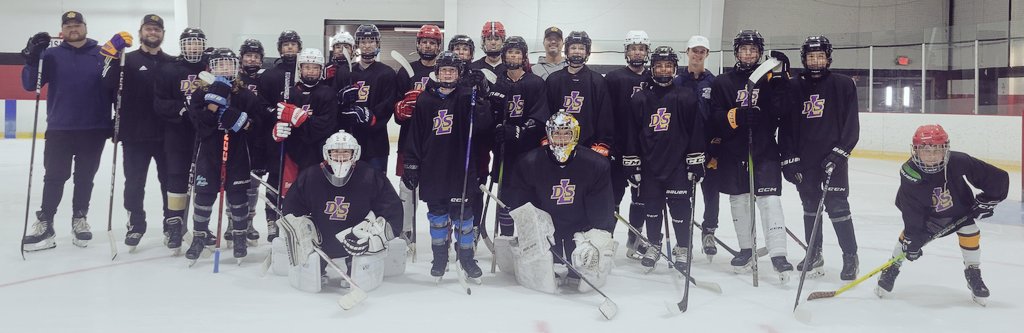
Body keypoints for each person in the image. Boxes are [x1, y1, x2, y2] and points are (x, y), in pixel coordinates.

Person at [21, 11, 125, 251]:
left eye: (77, 24)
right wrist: (31, 59)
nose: (73, 28)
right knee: (54, 177)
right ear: (62, 30)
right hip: (60, 127)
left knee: (85, 178)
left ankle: (80, 219)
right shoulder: (51, 55)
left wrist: (116, 120)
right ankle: (45, 222)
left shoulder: (102, 54)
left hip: (94, 128)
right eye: (68, 25)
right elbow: (29, 85)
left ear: (85, 27)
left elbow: (115, 89)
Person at [876, 124, 1008, 305]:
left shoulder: (958, 161)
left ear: (945, 149)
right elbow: (911, 210)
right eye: (926, 150)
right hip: (928, 215)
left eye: (937, 150)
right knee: (909, 239)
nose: (931, 156)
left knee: (970, 231)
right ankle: (893, 266)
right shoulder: (910, 172)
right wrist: (913, 239)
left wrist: (989, 199)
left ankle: (973, 271)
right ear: (916, 150)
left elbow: (996, 177)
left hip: (958, 210)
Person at [708, 30, 794, 281]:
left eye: (753, 50)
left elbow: (782, 110)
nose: (748, 54)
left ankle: (779, 253)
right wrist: (735, 117)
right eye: (744, 49)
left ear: (760, 53)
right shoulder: (722, 82)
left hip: (764, 149)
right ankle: (746, 249)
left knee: (769, 201)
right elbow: (714, 117)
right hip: (733, 151)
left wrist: (782, 77)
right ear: (736, 52)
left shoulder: (769, 79)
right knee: (740, 201)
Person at [401, 51, 493, 280]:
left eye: (452, 70)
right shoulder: (426, 99)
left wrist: (481, 97)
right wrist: (411, 164)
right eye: (444, 70)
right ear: (437, 72)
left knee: (464, 217)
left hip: (461, 167)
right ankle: (440, 257)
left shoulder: (466, 96)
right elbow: (415, 135)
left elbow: (483, 125)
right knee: (438, 216)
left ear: (459, 73)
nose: (448, 74)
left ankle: (466, 258)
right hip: (433, 167)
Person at [275, 130, 403, 291]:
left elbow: (393, 211)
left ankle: (353, 264)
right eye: (335, 152)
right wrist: (301, 230)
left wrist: (375, 237)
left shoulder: (370, 176)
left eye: (346, 152)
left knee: (365, 250)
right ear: (326, 153)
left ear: (355, 153)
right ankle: (318, 265)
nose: (341, 157)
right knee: (306, 245)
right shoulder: (310, 176)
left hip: (355, 240)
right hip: (320, 240)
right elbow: (291, 210)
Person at [503, 111, 615, 291]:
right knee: (541, 255)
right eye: (556, 133)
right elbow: (523, 206)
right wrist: (532, 233)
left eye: (566, 133)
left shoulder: (595, 164)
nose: (561, 138)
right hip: (547, 226)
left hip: (580, 225)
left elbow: (601, 209)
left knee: (586, 255)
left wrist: (595, 239)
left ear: (575, 135)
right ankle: (542, 262)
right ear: (548, 135)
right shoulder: (529, 162)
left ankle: (580, 265)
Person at [779, 35, 861, 280]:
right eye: (811, 56)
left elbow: (851, 126)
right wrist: (789, 158)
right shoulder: (794, 86)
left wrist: (839, 155)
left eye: (820, 56)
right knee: (810, 207)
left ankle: (850, 257)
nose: (816, 61)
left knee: (837, 207)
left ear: (828, 58)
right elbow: (786, 125)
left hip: (832, 159)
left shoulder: (844, 85)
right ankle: (814, 252)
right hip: (805, 160)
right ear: (804, 59)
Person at [623, 46, 704, 272]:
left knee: (680, 207)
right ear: (652, 68)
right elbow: (632, 133)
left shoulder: (686, 96)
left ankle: (683, 247)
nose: (664, 69)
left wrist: (695, 161)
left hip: (677, 164)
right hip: (650, 164)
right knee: (652, 207)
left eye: (668, 65)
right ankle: (654, 244)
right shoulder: (639, 99)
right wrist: (632, 163)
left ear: (675, 68)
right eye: (659, 65)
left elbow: (696, 129)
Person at [183, 48, 264, 263]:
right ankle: (199, 236)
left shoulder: (244, 94)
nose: (225, 68)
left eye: (229, 64)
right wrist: (211, 108)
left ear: (236, 67)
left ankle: (239, 235)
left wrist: (241, 121)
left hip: (237, 151)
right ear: (212, 67)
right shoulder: (200, 93)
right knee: (205, 194)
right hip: (209, 151)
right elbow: (198, 126)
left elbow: (257, 125)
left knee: (238, 195)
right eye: (220, 64)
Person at [102, 15, 174, 249]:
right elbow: (107, 85)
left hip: (167, 136)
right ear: (141, 31)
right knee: (134, 183)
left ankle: (171, 223)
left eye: (157, 29)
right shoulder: (126, 61)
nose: (153, 33)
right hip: (134, 135)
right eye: (148, 29)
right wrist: (110, 54)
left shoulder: (172, 63)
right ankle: (136, 223)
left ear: (163, 34)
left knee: (169, 183)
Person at [153, 27, 206, 252]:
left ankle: (202, 228)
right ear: (183, 45)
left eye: (197, 43)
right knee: (176, 180)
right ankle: (174, 225)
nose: (193, 47)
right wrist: (181, 108)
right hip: (177, 135)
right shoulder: (169, 70)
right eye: (189, 43)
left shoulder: (210, 68)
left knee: (204, 182)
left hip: (204, 135)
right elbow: (159, 102)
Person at [491, 36, 549, 237]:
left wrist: (520, 131)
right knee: (505, 194)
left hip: (529, 150)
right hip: (504, 151)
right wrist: (496, 127)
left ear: (524, 56)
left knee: (528, 193)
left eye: (517, 52)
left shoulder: (536, 83)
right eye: (509, 52)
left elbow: (541, 116)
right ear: (504, 55)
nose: (513, 56)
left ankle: (528, 239)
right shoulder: (497, 81)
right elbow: (488, 113)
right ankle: (506, 238)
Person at [604, 30, 652, 260]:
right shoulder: (613, 78)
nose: (637, 52)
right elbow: (605, 113)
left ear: (647, 52)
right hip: (618, 149)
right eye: (633, 48)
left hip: (644, 149)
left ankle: (635, 239)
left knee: (641, 197)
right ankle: (606, 240)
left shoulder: (654, 78)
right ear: (626, 51)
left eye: (641, 48)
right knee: (613, 197)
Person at [272, 48, 343, 201]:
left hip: (316, 153)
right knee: (290, 196)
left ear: (321, 70)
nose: (311, 71)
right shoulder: (288, 94)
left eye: (315, 68)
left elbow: (327, 125)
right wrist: (277, 130)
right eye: (307, 67)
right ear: (300, 68)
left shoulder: (328, 93)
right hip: (292, 152)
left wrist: (301, 118)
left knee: (315, 195)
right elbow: (279, 120)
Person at [672, 35, 720, 260]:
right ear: (687, 51)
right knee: (684, 196)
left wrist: (716, 146)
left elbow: (718, 116)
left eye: (702, 51)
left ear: (707, 54)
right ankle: (685, 238)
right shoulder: (676, 81)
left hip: (708, 146)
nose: (697, 55)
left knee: (711, 193)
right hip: (683, 149)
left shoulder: (714, 82)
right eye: (694, 50)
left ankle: (709, 231)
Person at [394, 24, 443, 242]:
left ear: (438, 46)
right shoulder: (406, 71)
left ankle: (443, 232)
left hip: (436, 142)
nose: (428, 45)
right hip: (409, 142)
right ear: (418, 44)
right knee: (407, 189)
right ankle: (405, 232)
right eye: (424, 41)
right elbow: (395, 109)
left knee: (440, 189)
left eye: (432, 42)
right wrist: (402, 109)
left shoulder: (445, 71)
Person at [544, 31, 614, 168]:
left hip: (589, 146)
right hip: (559, 144)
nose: (577, 52)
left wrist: (601, 143)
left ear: (587, 52)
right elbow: (547, 112)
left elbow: (604, 116)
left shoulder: (598, 81)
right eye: (573, 48)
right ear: (567, 50)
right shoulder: (553, 80)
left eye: (581, 48)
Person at [349, 24, 396, 173]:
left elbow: (388, 103)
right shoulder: (348, 72)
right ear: (357, 44)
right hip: (351, 139)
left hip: (377, 142)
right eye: (363, 41)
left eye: (371, 41)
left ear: (377, 44)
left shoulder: (387, 73)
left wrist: (371, 116)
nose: (367, 45)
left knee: (377, 186)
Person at [237, 38, 269, 245]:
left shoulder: (265, 80)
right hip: (237, 137)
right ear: (241, 58)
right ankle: (234, 222)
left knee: (253, 184)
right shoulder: (233, 78)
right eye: (248, 55)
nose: (252, 59)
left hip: (258, 138)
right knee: (235, 183)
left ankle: (248, 222)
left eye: (256, 56)